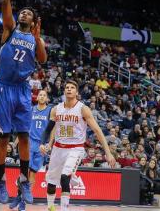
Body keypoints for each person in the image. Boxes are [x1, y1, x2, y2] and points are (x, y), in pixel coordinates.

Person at [0, 0, 47, 205]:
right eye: (22, 11)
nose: (23, 13)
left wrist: (38, 38)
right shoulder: (9, 29)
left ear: (35, 22)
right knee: (3, 137)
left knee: (24, 137)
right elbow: (6, 0)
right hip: (4, 88)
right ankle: (1, 179)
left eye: (28, 13)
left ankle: (24, 181)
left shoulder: (36, 39)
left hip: (23, 90)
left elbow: (43, 59)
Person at [40, 80, 116, 211]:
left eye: (72, 88)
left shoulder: (83, 109)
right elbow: (48, 129)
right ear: (64, 91)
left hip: (75, 149)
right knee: (51, 182)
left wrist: (108, 152)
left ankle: (64, 209)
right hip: (58, 148)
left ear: (76, 92)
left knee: (65, 177)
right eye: (67, 87)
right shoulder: (56, 109)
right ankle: (50, 207)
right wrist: (44, 143)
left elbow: (98, 131)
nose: (69, 89)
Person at [10, 90, 52, 211]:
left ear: (47, 98)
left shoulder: (50, 111)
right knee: (24, 173)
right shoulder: (31, 110)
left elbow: (53, 128)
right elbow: (24, 127)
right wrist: (15, 142)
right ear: (37, 97)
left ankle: (22, 201)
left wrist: (49, 144)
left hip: (42, 145)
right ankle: (19, 196)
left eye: (44, 95)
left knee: (32, 174)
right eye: (40, 95)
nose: (42, 96)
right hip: (29, 142)